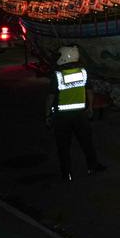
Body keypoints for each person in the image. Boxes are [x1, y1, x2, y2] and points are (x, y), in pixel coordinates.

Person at [45, 46, 106, 182]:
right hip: (80, 115)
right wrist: (90, 108)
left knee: (63, 147)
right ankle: (92, 166)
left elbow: (50, 97)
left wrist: (47, 114)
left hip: (62, 117)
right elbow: (90, 91)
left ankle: (67, 174)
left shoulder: (58, 76)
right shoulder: (83, 73)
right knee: (87, 143)